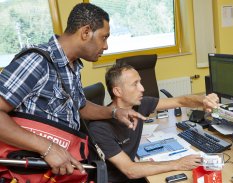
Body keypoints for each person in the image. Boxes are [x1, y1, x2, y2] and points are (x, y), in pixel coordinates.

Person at [0, 3, 145, 176]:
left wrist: (114, 112)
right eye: (104, 37)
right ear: (85, 32)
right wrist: (47, 148)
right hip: (28, 172)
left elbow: (80, 107)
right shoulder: (37, 62)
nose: (106, 46)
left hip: (59, 170)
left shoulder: (72, 66)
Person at [88, 63, 220, 183]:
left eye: (140, 82)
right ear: (118, 91)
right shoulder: (99, 128)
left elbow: (181, 101)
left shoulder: (139, 105)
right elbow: (130, 170)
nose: (142, 88)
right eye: (135, 84)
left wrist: (204, 100)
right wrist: (177, 163)